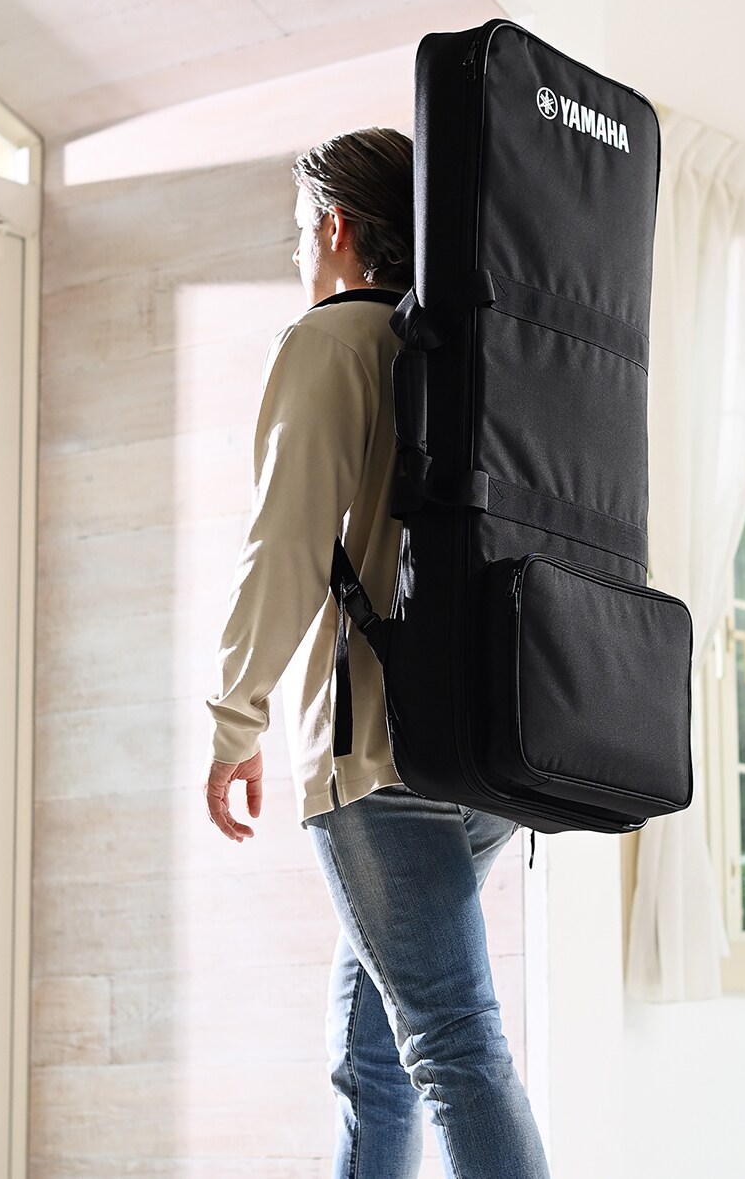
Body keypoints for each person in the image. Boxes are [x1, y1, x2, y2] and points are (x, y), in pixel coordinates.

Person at [202, 127, 553, 1179]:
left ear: (338, 228)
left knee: (449, 1041)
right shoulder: (464, 341)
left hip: (376, 751)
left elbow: (285, 543)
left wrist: (235, 718)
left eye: (300, 233)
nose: (301, 256)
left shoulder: (331, 341)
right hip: (483, 748)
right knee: (373, 1053)